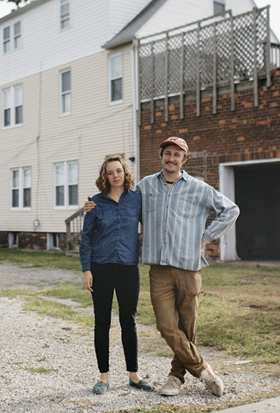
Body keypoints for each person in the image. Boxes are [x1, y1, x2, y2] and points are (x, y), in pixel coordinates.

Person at [85, 137, 239, 397]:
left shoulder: (199, 188)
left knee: (187, 328)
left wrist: (206, 237)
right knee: (167, 326)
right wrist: (94, 204)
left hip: (189, 267)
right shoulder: (145, 187)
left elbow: (231, 209)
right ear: (162, 156)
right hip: (158, 269)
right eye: (167, 153)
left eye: (177, 155)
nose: (171, 158)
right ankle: (203, 370)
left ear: (184, 159)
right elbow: (119, 202)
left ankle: (176, 377)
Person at [79, 154, 155, 395]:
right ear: (105, 176)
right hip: (100, 267)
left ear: (125, 172)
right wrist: (86, 269)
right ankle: (103, 377)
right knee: (102, 322)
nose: (115, 175)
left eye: (119, 170)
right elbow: (86, 238)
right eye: (110, 172)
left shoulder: (136, 200)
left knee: (128, 321)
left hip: (127, 268)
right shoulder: (95, 203)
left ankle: (133, 374)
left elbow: (151, 224)